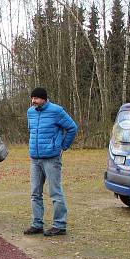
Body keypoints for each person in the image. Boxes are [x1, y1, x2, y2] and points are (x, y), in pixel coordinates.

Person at [24, 87, 78, 236]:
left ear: (44, 98)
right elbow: (32, 131)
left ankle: (60, 225)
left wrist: (63, 146)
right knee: (35, 193)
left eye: (36, 98)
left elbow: (72, 128)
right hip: (35, 158)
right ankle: (37, 224)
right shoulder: (30, 112)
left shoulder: (57, 111)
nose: (33, 101)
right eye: (32, 98)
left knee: (55, 192)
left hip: (52, 158)